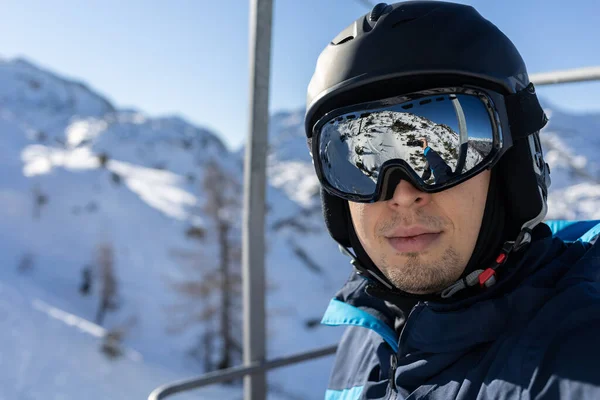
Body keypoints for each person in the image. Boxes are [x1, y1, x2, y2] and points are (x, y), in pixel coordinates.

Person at [304, 2, 600, 399]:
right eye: (363, 164)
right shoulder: (366, 330)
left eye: (447, 157)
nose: (403, 195)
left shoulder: (575, 353)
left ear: (512, 172)